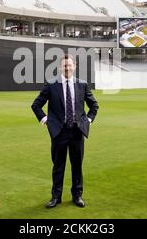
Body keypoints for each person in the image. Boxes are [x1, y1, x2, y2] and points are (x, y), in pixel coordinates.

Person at [31, 54, 99, 208]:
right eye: (64, 65)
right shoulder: (51, 85)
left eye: (69, 65)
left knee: (77, 166)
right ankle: (56, 197)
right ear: (60, 67)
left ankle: (77, 195)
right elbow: (36, 105)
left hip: (77, 132)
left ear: (74, 67)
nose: (67, 68)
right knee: (58, 166)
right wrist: (46, 120)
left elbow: (94, 105)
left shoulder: (82, 85)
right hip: (59, 133)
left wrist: (87, 120)